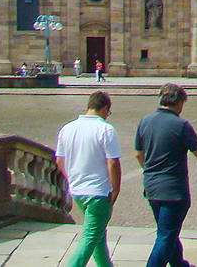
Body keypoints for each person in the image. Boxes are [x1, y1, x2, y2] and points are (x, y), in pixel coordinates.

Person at [136, 84, 197, 267]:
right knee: (166, 235)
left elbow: (138, 153)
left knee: (167, 231)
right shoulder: (181, 125)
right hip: (173, 190)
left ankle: (179, 265)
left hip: (151, 187)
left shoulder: (144, 121)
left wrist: (151, 170)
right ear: (178, 102)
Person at [55, 91, 121, 267]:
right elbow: (112, 162)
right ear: (105, 108)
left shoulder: (67, 128)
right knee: (91, 236)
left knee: (98, 233)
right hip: (98, 192)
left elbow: (59, 161)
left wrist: (73, 178)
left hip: (77, 190)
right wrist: (116, 188)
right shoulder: (106, 129)